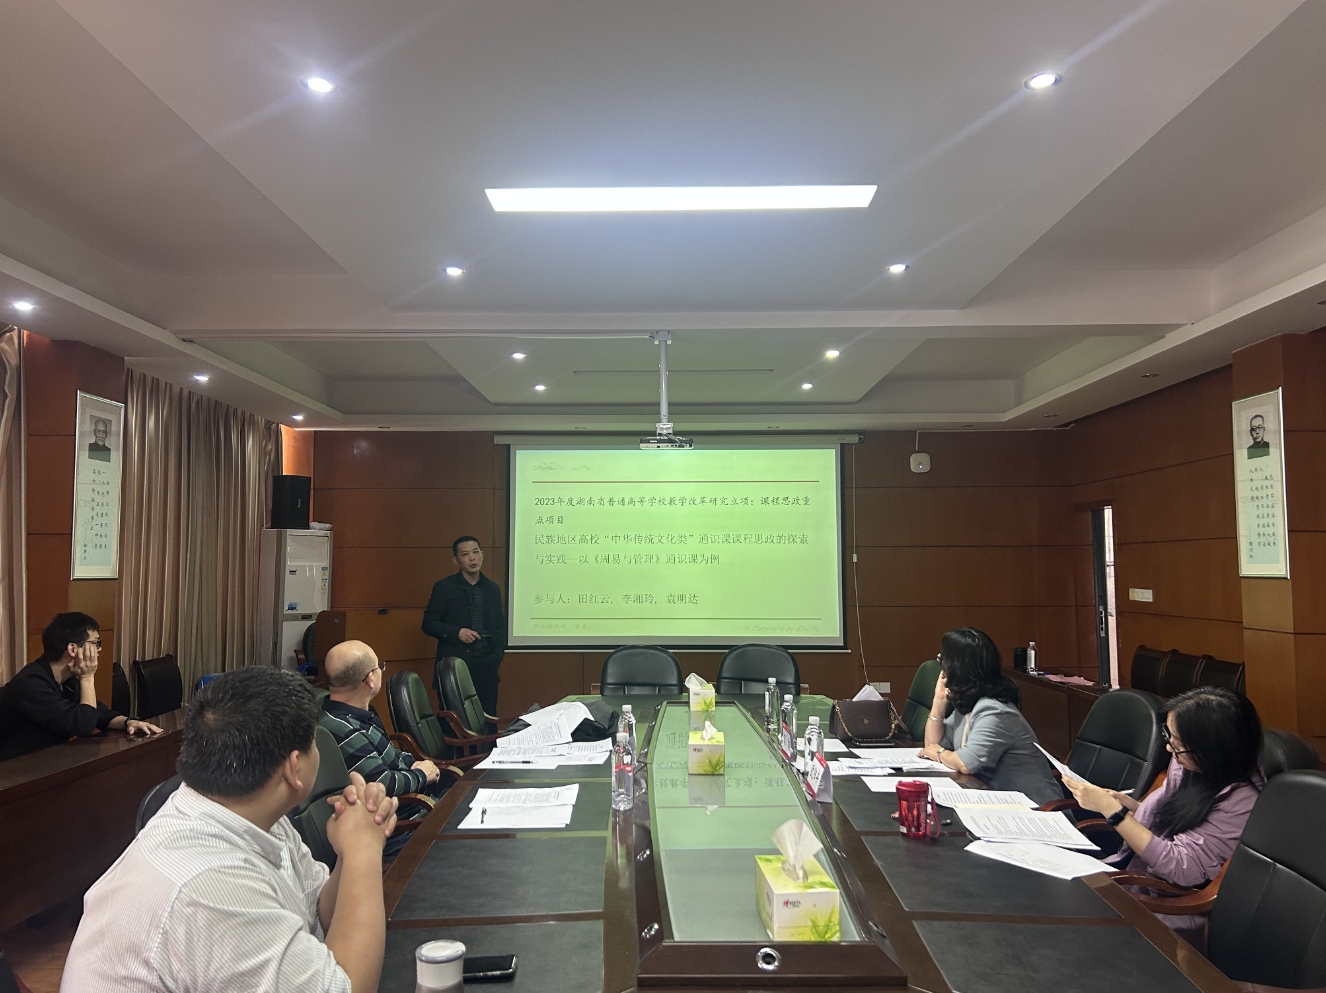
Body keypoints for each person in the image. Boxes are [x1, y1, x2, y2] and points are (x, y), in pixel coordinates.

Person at [60, 666, 399, 993]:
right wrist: (363, 851)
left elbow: (318, 911)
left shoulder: (248, 811)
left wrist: (351, 848)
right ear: (295, 768)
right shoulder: (210, 886)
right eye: (314, 743)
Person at [1065, 686, 1263, 949]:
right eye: (1169, 736)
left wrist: (1112, 812)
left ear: (1212, 750)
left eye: (1178, 745)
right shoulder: (1188, 764)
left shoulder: (1242, 802)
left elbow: (1181, 867)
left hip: (1165, 911)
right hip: (1131, 879)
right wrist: (1131, 806)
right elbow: (1172, 822)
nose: (1169, 748)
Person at [918, 627, 1062, 805]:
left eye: (943, 660)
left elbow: (965, 763)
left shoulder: (994, 711)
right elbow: (932, 745)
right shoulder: (968, 705)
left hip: (1035, 809)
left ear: (958, 668)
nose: (942, 667)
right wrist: (939, 700)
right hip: (998, 802)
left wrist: (940, 754)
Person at [0, 612, 162, 761]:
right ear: (73, 649)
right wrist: (87, 677)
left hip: (46, 762)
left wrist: (128, 722)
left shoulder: (66, 679)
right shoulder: (30, 684)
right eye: (96, 643)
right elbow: (83, 725)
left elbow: (97, 712)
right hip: (15, 771)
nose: (99, 649)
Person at [320, 640, 445, 800]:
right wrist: (421, 775)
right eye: (379, 666)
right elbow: (383, 785)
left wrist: (411, 763)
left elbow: (388, 755)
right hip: (409, 810)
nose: (381, 670)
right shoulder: (345, 729)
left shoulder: (357, 714)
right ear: (370, 679)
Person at [422, 535, 507, 717]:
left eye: (475, 552)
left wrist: (496, 657)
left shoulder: (492, 589)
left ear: (482, 555)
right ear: (456, 560)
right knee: (454, 722)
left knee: (487, 720)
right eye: (465, 554)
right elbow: (428, 623)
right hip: (453, 668)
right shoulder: (444, 587)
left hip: (486, 667)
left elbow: (500, 627)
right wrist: (456, 632)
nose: (472, 558)